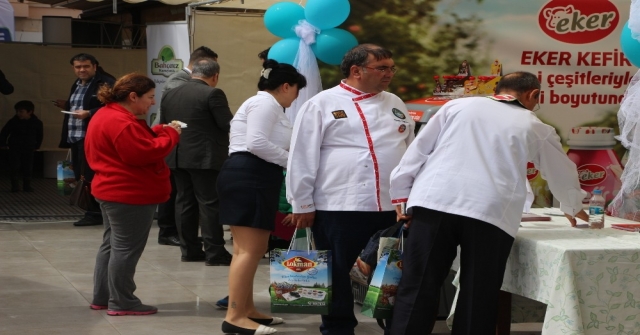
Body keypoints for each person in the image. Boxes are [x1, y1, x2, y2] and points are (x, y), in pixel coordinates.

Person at [388, 71, 589, 334]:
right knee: (478, 293)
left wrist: (401, 194)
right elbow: (560, 171)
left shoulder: (457, 105)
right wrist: (573, 206)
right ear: (533, 95)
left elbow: (419, 149)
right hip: (490, 211)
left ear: (498, 90)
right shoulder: (535, 125)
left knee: (417, 285)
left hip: (434, 201)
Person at [286, 44, 415, 335]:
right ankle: (337, 328)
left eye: (391, 68)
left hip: (389, 207)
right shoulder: (321, 103)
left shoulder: (394, 102)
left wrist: (410, 198)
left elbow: (410, 152)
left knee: (392, 272)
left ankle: (394, 326)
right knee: (335, 274)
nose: (389, 74)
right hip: (339, 205)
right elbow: (302, 155)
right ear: (356, 71)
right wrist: (302, 204)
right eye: (382, 68)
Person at [218, 59, 306, 335]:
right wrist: (292, 161)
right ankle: (234, 317)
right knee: (247, 250)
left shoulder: (270, 106)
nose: (296, 98)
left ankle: (246, 309)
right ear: (286, 86)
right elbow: (256, 142)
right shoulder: (265, 103)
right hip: (249, 175)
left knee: (252, 250)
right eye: (296, 91)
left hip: (255, 176)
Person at [85, 73, 181, 315]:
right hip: (129, 194)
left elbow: (134, 144)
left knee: (111, 245)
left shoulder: (106, 114)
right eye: (149, 97)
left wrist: (157, 130)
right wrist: (171, 135)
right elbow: (142, 154)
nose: (152, 103)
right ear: (132, 96)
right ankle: (122, 301)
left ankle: (103, 297)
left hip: (111, 190)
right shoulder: (121, 121)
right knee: (125, 249)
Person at [160, 58, 234, 266]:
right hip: (205, 157)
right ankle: (215, 253)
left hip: (177, 155)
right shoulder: (212, 93)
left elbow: (166, 124)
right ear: (215, 76)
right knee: (209, 204)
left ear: (193, 72)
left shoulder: (170, 93)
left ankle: (189, 250)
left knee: (184, 202)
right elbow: (227, 123)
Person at [155, 46, 218, 247]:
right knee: (176, 194)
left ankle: (186, 240)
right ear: (203, 63)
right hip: (178, 143)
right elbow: (183, 109)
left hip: (183, 143)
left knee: (182, 196)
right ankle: (168, 231)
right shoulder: (178, 81)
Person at [53, 53, 115, 227]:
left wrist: (90, 113)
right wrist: (67, 105)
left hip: (92, 137)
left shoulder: (106, 83)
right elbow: (82, 104)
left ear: (95, 66)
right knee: (81, 174)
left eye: (86, 66)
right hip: (76, 136)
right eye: (78, 67)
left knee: (90, 175)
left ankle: (95, 213)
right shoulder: (77, 84)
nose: (82, 70)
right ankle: (92, 211)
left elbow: (113, 106)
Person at [0, 100, 43, 192]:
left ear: (30, 112)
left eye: (21, 111)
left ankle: (27, 185)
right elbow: (4, 132)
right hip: (15, 146)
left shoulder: (36, 122)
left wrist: (37, 145)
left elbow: (40, 135)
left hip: (29, 146)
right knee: (14, 166)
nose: (18, 114)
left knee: (28, 166)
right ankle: (15, 186)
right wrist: (3, 143)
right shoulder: (13, 121)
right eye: (17, 111)